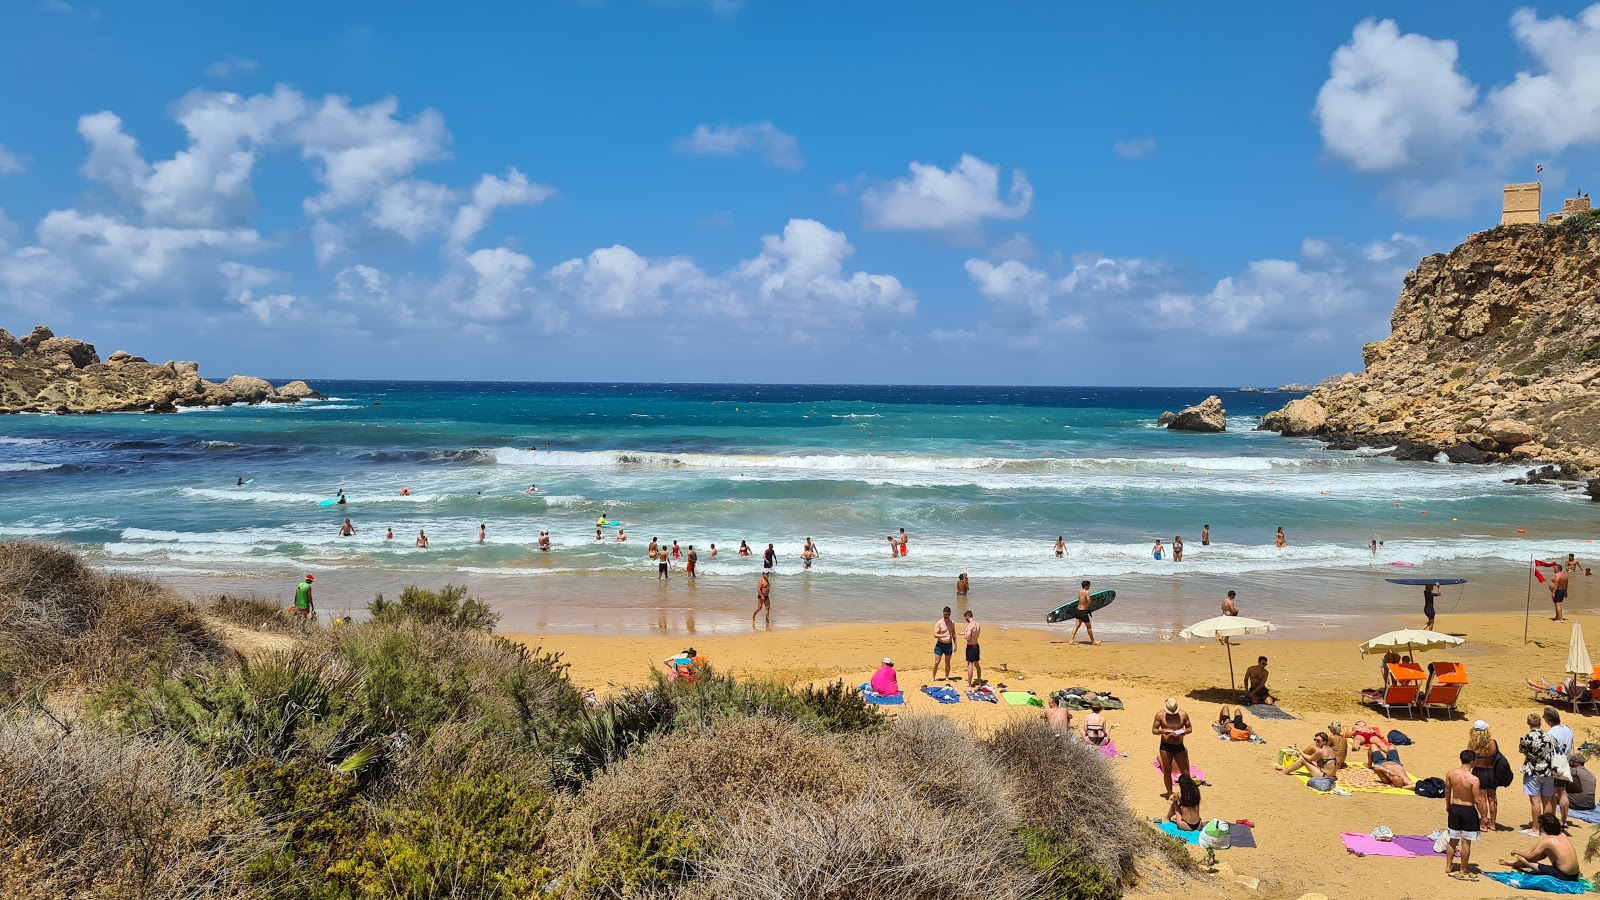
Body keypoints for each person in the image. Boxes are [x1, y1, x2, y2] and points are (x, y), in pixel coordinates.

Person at [1502, 813, 1581, 883]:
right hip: (1575, 874)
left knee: (1524, 859)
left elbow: (1530, 856)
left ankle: (1515, 863)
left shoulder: (1548, 841)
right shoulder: (1562, 835)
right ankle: (1517, 863)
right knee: (1541, 850)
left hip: (1563, 876)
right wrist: (1528, 852)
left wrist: (1518, 852)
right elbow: (1539, 846)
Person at [1445, 749, 1484, 882]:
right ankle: (1463, 868)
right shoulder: (1474, 779)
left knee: (1452, 839)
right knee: (1466, 841)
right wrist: (1484, 816)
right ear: (1472, 762)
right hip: (1468, 809)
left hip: (1455, 807)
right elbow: (1478, 800)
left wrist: (1448, 805)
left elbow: (1447, 791)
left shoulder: (1451, 773)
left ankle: (1449, 866)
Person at [1521, 712, 1557, 833]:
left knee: (1535, 801)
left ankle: (1535, 828)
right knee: (1547, 801)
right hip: (1548, 771)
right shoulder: (1550, 737)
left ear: (1528, 723)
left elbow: (1523, 751)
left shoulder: (1526, 738)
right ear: (1540, 723)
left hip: (1533, 771)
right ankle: (1547, 828)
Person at [1154, 699, 1193, 796]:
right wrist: (1163, 731)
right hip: (1166, 746)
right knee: (1167, 770)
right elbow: (1154, 730)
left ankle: (1186, 793)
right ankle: (1169, 792)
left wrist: (1185, 732)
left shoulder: (1183, 715)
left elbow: (1189, 728)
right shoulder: (1160, 715)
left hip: (1179, 746)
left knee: (1185, 772)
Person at [1469, 720, 1502, 831]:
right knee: (1492, 799)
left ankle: (1483, 823)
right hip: (1492, 772)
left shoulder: (1472, 743)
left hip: (1479, 771)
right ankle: (1493, 823)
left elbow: (1469, 759)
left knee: (1482, 799)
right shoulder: (1493, 743)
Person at [1545, 707, 1575, 828]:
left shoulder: (1551, 733)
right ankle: (1563, 821)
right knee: (1563, 793)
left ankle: (1553, 821)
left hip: (1554, 766)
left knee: (1551, 794)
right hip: (1565, 765)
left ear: (1548, 720)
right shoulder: (1568, 729)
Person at [1068, 580, 1100, 645]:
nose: (1089, 586)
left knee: (1077, 626)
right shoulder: (1087, 592)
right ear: (1086, 586)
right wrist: (1090, 605)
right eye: (1089, 585)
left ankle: (1071, 640)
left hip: (1078, 610)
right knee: (1089, 627)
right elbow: (1088, 602)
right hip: (1083, 611)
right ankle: (1093, 641)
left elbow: (1079, 600)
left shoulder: (1079, 592)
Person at [933, 607, 956, 681]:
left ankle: (946, 676)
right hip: (940, 645)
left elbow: (954, 634)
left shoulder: (952, 622)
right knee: (937, 662)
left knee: (947, 662)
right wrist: (943, 635)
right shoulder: (939, 623)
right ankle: (933, 677)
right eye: (945, 614)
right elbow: (935, 635)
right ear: (943, 613)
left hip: (949, 645)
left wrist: (955, 644)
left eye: (948, 614)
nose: (947, 616)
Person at [962, 609, 982, 686]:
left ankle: (969, 683)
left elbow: (968, 638)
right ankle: (979, 680)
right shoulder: (977, 624)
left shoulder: (970, 626)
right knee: (977, 664)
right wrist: (965, 632)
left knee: (970, 664)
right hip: (976, 645)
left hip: (971, 647)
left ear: (967, 616)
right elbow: (974, 634)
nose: (966, 620)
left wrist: (965, 634)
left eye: (965, 618)